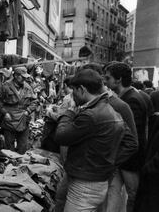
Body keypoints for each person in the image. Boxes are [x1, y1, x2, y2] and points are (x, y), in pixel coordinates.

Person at [55, 69, 134, 212]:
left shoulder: (92, 114)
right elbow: (129, 142)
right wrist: (107, 163)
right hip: (92, 178)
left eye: (73, 90)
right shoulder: (108, 108)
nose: (72, 95)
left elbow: (61, 136)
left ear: (82, 89)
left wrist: (69, 111)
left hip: (85, 184)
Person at [104, 62, 148, 212]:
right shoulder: (128, 96)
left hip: (130, 160)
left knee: (133, 195)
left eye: (108, 78)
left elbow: (132, 136)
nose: (105, 81)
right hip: (122, 159)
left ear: (119, 79)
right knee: (114, 193)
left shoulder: (131, 100)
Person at [0, 66, 38, 154]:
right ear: (16, 76)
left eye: (26, 77)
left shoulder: (27, 87)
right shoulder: (6, 86)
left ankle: (20, 164)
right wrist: (4, 113)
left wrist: (28, 111)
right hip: (9, 119)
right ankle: (10, 165)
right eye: (23, 77)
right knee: (9, 148)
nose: (24, 79)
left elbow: (35, 101)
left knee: (23, 146)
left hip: (23, 119)